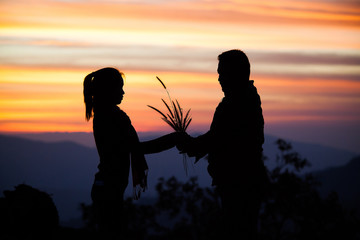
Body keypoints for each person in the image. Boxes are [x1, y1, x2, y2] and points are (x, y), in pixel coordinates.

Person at [83, 67, 183, 239]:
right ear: (108, 90)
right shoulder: (113, 117)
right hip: (108, 188)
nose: (123, 92)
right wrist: (173, 140)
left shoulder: (103, 115)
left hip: (105, 186)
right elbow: (136, 148)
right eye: (119, 87)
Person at [178, 50, 268, 239]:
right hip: (240, 181)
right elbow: (219, 136)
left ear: (236, 74)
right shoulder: (241, 99)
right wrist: (194, 145)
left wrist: (193, 145)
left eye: (222, 74)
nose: (219, 79)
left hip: (240, 182)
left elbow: (220, 138)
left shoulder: (239, 102)